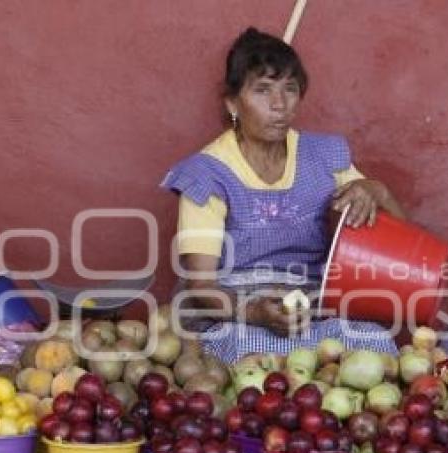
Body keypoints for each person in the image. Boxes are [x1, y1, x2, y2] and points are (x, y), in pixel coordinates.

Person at [160, 27, 406, 363]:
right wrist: (256, 313)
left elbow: (404, 246)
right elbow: (201, 288)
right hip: (236, 310)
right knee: (250, 357)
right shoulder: (207, 175)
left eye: (289, 89)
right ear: (233, 103)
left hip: (313, 306)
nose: (279, 104)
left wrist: (377, 191)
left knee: (374, 346)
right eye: (262, 90)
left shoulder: (323, 157)